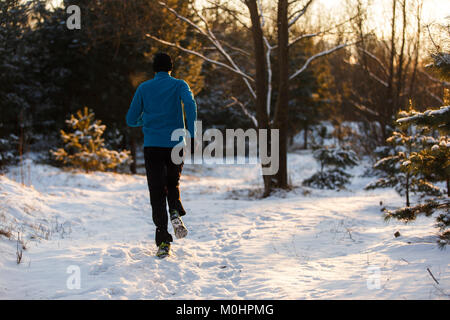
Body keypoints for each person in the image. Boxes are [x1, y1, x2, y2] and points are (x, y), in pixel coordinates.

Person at [126, 52, 197, 258]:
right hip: (175, 144)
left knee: (157, 192)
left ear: (154, 69)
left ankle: (163, 241)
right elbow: (191, 105)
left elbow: (131, 119)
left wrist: (145, 121)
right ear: (170, 68)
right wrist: (191, 131)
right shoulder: (180, 85)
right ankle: (174, 209)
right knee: (172, 182)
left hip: (153, 146)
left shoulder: (144, 88)